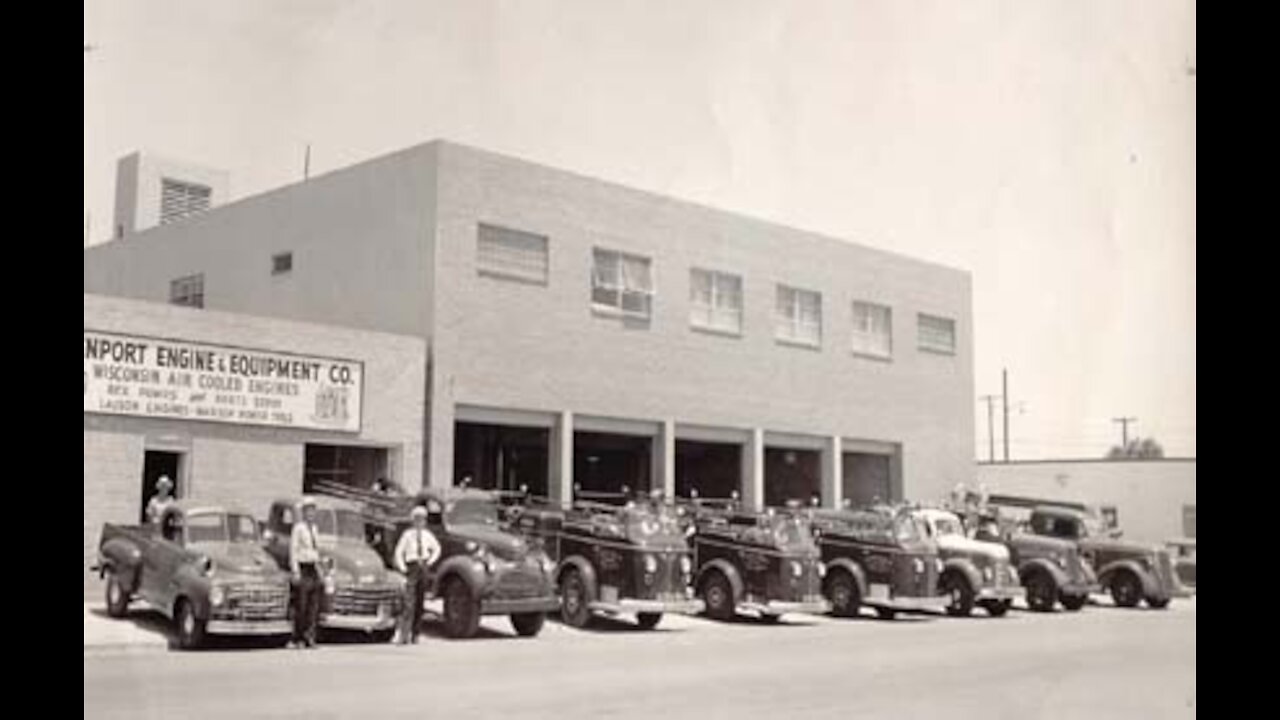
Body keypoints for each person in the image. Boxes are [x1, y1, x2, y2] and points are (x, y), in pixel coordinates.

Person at [394, 504, 442, 645]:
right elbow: (399, 551)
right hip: (412, 566)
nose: (420, 522)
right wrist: (403, 567)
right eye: (417, 519)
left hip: (423, 567)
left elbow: (437, 548)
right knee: (409, 602)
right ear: (413, 520)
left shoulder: (428, 535)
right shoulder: (407, 535)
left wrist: (430, 561)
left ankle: (416, 633)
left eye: (422, 519)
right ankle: (404, 634)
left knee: (420, 602)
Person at [289, 496, 325, 649]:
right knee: (301, 605)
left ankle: (310, 637)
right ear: (303, 512)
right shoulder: (298, 528)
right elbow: (293, 550)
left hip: (313, 568)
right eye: (308, 510)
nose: (311, 513)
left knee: (313, 605)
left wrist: (321, 570)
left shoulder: (315, 529)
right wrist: (295, 570)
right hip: (302, 567)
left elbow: (317, 551)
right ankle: (297, 638)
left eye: (313, 510)